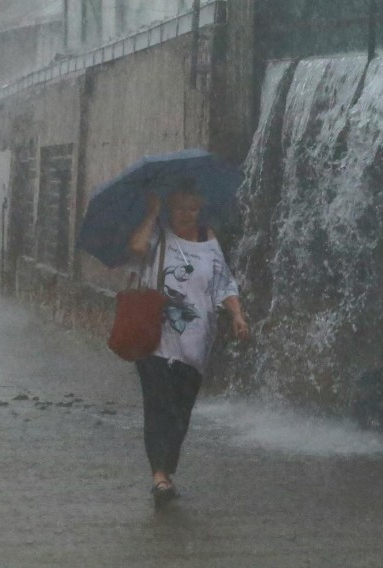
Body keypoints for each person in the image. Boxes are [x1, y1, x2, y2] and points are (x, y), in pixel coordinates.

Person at [128, 178, 250, 506]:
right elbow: (136, 248)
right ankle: (158, 476)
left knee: (181, 412)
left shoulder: (208, 239)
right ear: (171, 206)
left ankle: (166, 470)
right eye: (180, 207)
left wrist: (237, 314)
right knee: (158, 406)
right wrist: (152, 214)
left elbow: (223, 283)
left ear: (200, 209)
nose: (187, 214)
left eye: (193, 208)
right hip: (155, 337)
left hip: (196, 343)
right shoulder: (157, 234)